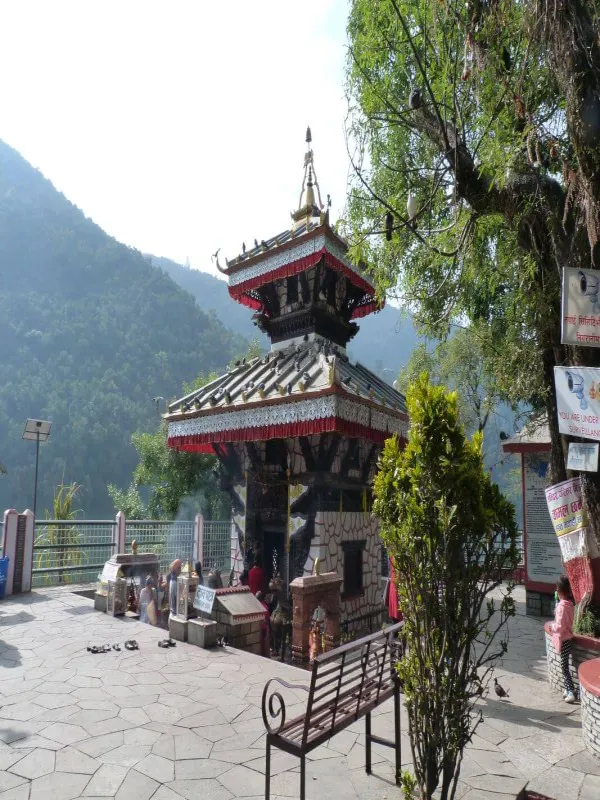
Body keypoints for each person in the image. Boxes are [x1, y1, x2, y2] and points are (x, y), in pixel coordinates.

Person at [550, 575, 576, 703]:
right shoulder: (570, 605)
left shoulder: (562, 606)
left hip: (564, 638)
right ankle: (567, 689)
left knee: (564, 666)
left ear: (559, 591)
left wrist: (552, 627)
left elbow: (560, 626)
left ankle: (570, 691)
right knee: (564, 664)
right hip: (569, 637)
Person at [256, 590, 271, 658]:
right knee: (265, 644)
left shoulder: (256, 607)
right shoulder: (265, 607)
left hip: (259, 628)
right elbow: (268, 619)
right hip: (264, 627)